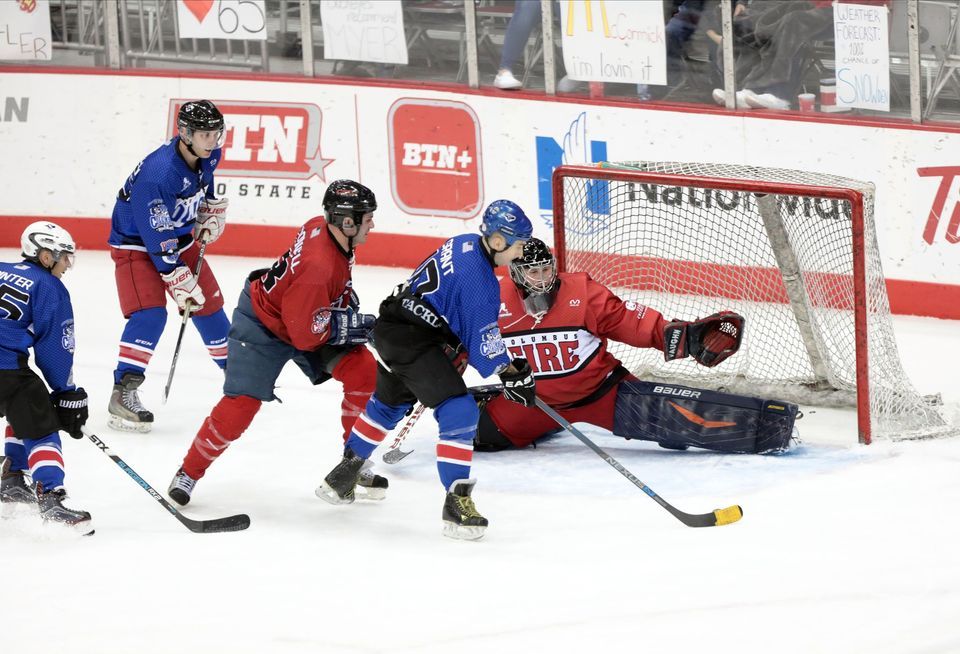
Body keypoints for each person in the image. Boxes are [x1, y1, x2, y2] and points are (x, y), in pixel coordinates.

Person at [315, 200, 538, 541]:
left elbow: (451, 306)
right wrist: (510, 371)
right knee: (460, 412)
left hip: (393, 325)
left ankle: (342, 476)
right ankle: (456, 504)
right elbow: (483, 344)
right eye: (519, 243)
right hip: (413, 340)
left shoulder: (464, 242)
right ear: (497, 242)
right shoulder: (482, 284)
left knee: (390, 402)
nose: (522, 251)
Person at [166, 180, 380, 506]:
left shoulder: (322, 228)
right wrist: (349, 326)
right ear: (346, 222)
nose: (372, 224)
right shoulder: (318, 268)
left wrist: (342, 306)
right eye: (367, 218)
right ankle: (189, 472)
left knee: (363, 369)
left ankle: (354, 461)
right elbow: (306, 334)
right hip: (263, 327)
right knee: (241, 404)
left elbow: (314, 303)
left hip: (301, 313)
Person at [473, 239, 796, 455]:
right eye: (533, 271)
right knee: (479, 436)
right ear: (515, 271)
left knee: (681, 429)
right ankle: (530, 416)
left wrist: (683, 337)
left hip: (602, 395)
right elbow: (466, 340)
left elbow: (627, 321)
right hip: (533, 402)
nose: (542, 278)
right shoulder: (491, 299)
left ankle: (769, 424)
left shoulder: (582, 293)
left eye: (546, 268)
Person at [107, 99, 232, 432]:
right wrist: (174, 274)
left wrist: (206, 211)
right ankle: (123, 392)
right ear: (185, 133)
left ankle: (239, 377)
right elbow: (154, 230)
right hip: (135, 243)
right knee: (150, 314)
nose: (212, 140)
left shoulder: (209, 155)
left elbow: (201, 187)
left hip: (178, 238)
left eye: (215, 133)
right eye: (205, 134)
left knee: (210, 305)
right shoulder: (158, 174)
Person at [0, 222, 93, 534]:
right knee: (42, 424)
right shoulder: (48, 287)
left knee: (23, 405)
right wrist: (66, 391)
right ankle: (51, 496)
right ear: (44, 255)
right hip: (5, 368)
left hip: (8, 369)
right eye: (64, 257)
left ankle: (13, 479)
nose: (67, 264)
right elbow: (54, 347)